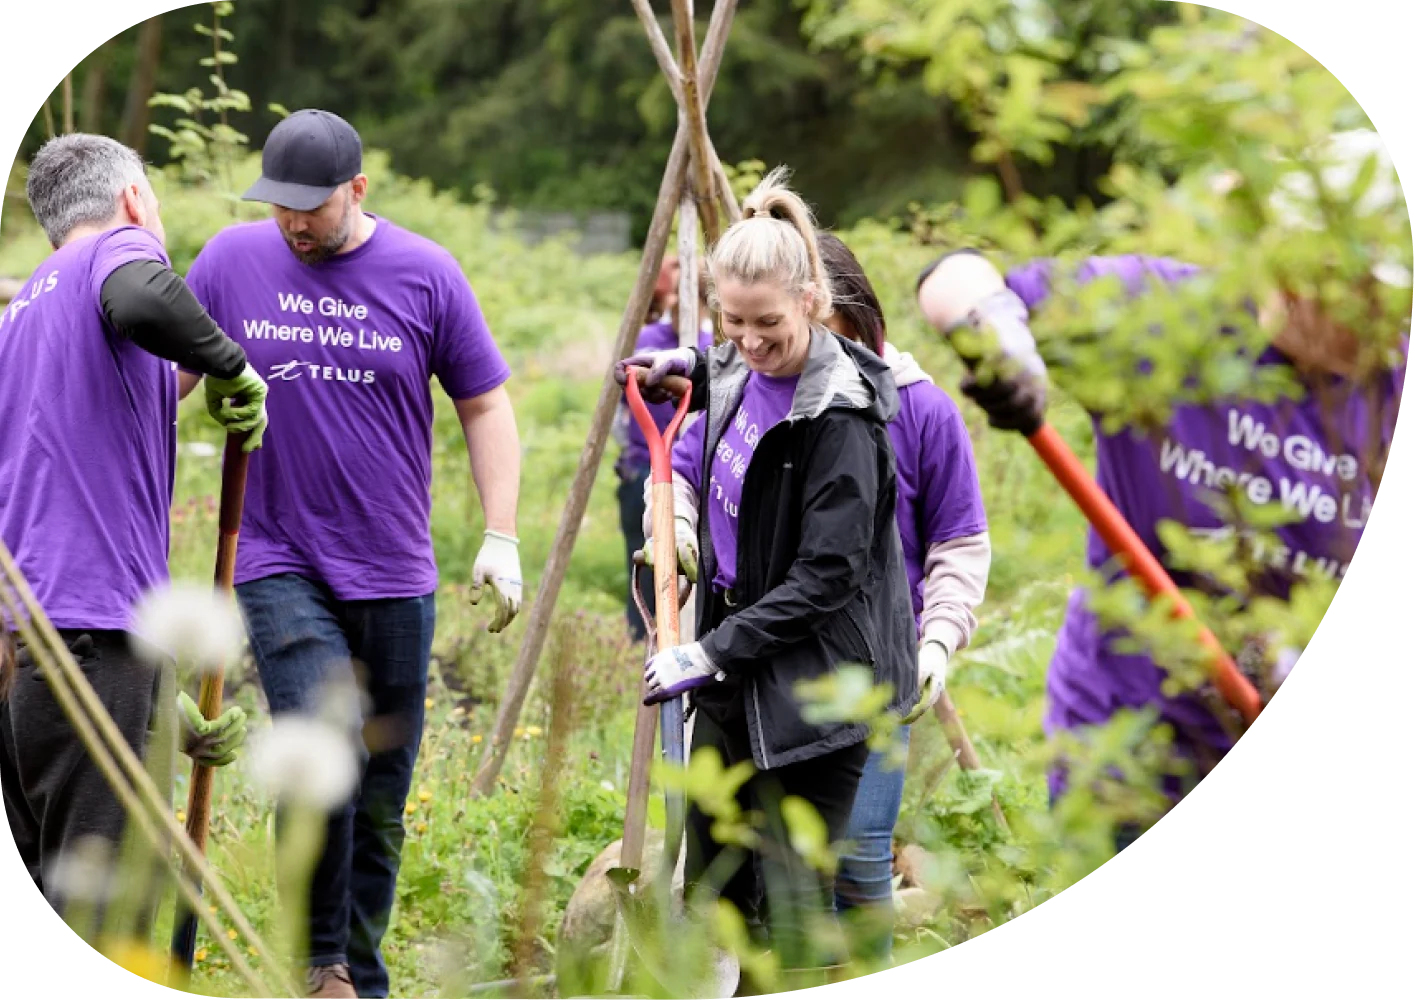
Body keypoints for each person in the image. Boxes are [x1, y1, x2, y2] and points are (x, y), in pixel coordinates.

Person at [913, 128, 1409, 856]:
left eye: (1385, 294)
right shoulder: (1168, 320)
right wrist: (1004, 342)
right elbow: (953, 279)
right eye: (1342, 284)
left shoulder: (1391, 382)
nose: (1364, 315)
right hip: (1128, 750)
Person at [178, 108, 523, 1001]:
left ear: (357, 190)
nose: (293, 222)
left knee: (377, 795)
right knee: (323, 739)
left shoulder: (425, 274)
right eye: (280, 206)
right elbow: (159, 382)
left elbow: (485, 403)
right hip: (273, 551)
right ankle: (315, 961)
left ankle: (357, 977)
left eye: (312, 207)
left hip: (395, 569)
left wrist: (501, 533)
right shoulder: (228, 262)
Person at [613, 167, 919, 982]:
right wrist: (684, 358)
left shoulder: (843, 420)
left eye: (768, 326)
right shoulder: (744, 363)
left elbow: (827, 575)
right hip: (744, 672)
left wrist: (709, 652)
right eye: (732, 321)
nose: (750, 342)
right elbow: (725, 366)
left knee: (785, 925)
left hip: (817, 695)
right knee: (717, 889)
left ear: (814, 302)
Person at [0, 133, 261, 938]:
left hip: (24, 652)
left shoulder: (19, 318)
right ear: (135, 200)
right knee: (106, 915)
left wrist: (160, 691)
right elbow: (146, 296)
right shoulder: (111, 253)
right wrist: (229, 366)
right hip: (90, 636)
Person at [814, 232, 991, 968]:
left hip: (879, 674)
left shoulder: (919, 410)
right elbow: (694, 470)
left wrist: (937, 641)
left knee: (858, 870)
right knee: (782, 876)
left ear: (859, 319)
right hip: (768, 672)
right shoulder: (755, 397)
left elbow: (958, 544)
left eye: (828, 334)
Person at [613, 259, 715, 641]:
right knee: (659, 566)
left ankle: (653, 641)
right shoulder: (705, 347)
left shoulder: (652, 343)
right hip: (653, 469)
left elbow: (622, 411)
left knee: (646, 563)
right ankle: (655, 644)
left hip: (649, 468)